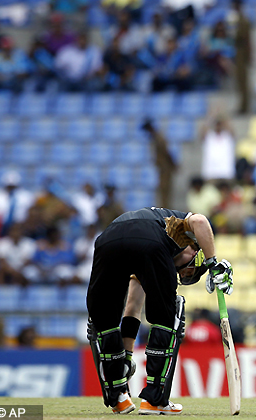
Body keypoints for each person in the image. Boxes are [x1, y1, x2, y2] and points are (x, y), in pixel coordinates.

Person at [86, 207, 234, 414]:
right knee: (169, 315)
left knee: (103, 319)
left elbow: (133, 306)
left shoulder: (147, 250)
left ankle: (119, 397)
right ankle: (154, 399)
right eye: (188, 270)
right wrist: (213, 264)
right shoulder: (181, 232)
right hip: (150, 241)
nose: (180, 274)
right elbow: (200, 221)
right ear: (193, 250)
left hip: (107, 240)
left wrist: (127, 356)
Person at [141, 119, 178, 208]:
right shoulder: (155, 138)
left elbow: (167, 152)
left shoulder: (158, 138)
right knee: (163, 191)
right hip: (162, 168)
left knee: (164, 190)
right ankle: (164, 209)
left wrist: (173, 165)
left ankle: (165, 211)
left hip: (165, 169)